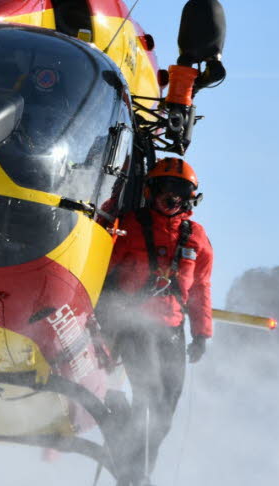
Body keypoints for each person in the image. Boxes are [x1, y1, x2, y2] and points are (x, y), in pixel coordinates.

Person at [98, 157, 213, 486]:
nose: (171, 197)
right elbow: (102, 265)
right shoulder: (129, 225)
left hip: (172, 331)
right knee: (148, 394)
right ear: (151, 191)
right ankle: (133, 474)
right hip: (133, 326)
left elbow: (202, 288)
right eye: (165, 189)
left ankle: (137, 471)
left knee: (165, 410)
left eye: (179, 191)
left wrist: (201, 334)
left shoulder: (197, 238)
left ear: (190, 198)